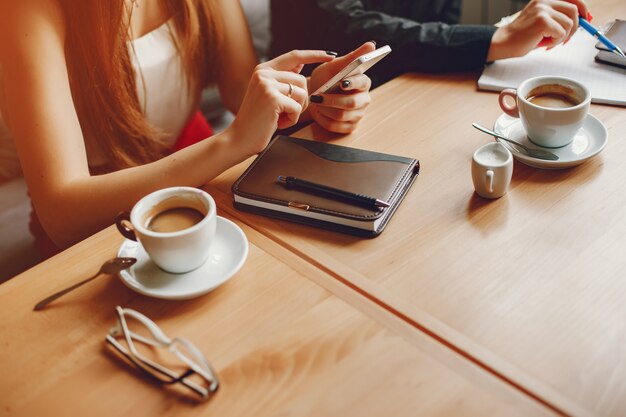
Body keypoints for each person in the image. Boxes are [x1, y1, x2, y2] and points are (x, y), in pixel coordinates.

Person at [0, 0, 376, 255]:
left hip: (200, 179)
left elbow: (241, 96)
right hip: (102, 221)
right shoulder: (28, 11)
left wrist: (314, 97)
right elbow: (62, 215)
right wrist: (231, 142)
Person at [270, 0, 590, 86]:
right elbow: (346, 28)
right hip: (317, 111)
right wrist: (497, 38)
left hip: (425, 78)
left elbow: (443, 15)